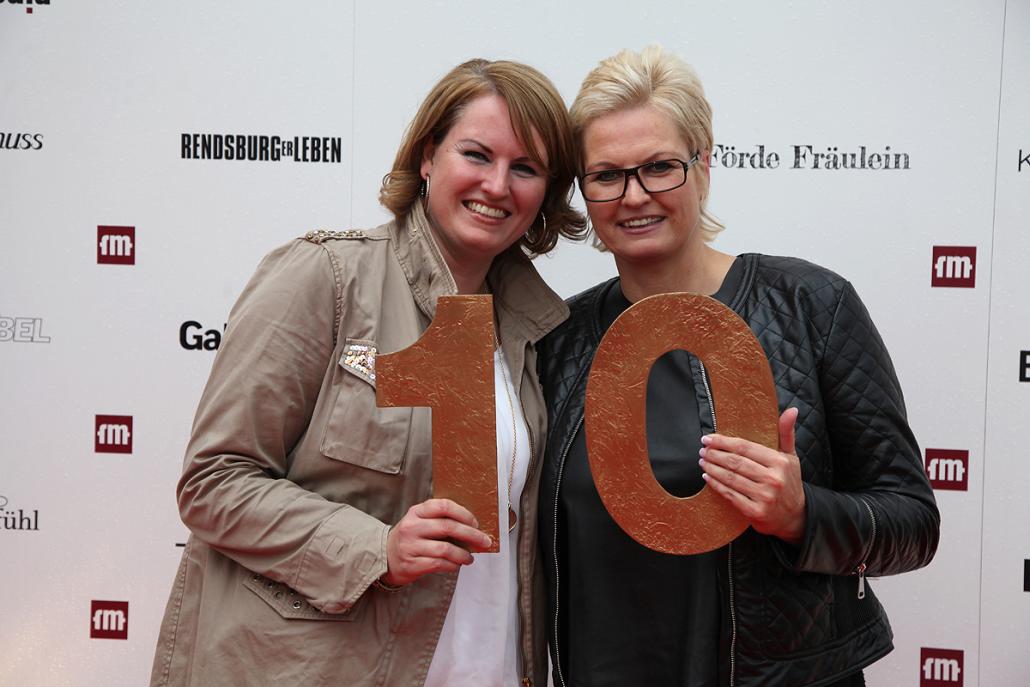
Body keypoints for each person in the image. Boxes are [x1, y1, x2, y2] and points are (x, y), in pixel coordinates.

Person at [151, 58, 585, 687]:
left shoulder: (540, 332)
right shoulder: (326, 277)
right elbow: (214, 482)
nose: (497, 185)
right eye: (477, 154)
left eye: (525, 168)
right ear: (428, 155)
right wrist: (375, 550)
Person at [537, 46, 939, 687]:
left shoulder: (811, 305)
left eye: (660, 167)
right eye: (606, 175)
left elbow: (913, 522)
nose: (634, 194)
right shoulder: (556, 340)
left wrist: (803, 515)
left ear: (704, 164)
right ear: (583, 192)